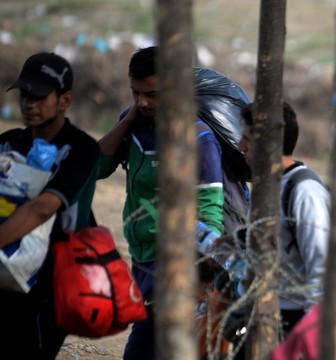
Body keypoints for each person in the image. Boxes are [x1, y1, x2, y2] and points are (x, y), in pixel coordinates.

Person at [97, 46, 225, 359]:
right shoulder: (134, 126)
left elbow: (210, 210)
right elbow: (96, 168)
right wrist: (127, 122)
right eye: (135, 93)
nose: (143, 102)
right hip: (141, 259)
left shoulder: (198, 139)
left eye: (152, 94)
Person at [0, 52, 100, 359]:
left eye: (40, 96)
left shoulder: (81, 148)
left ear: (65, 99)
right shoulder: (8, 142)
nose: (30, 103)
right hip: (5, 274)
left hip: (51, 287)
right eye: (25, 94)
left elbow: (43, 208)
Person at [238, 102, 330, 335]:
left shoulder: (304, 191)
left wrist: (307, 337)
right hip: (266, 318)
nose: (240, 146)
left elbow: (321, 267)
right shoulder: (268, 188)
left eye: (247, 139)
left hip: (295, 323)